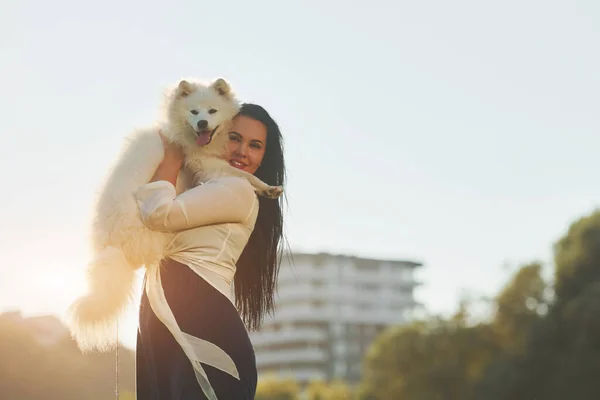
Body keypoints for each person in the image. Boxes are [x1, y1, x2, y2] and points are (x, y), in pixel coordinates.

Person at [134, 103, 286, 400]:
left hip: (204, 333)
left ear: (263, 158)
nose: (242, 150)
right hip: (164, 322)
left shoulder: (237, 189)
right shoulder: (198, 188)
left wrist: (172, 157)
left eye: (255, 145)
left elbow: (158, 215)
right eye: (234, 138)